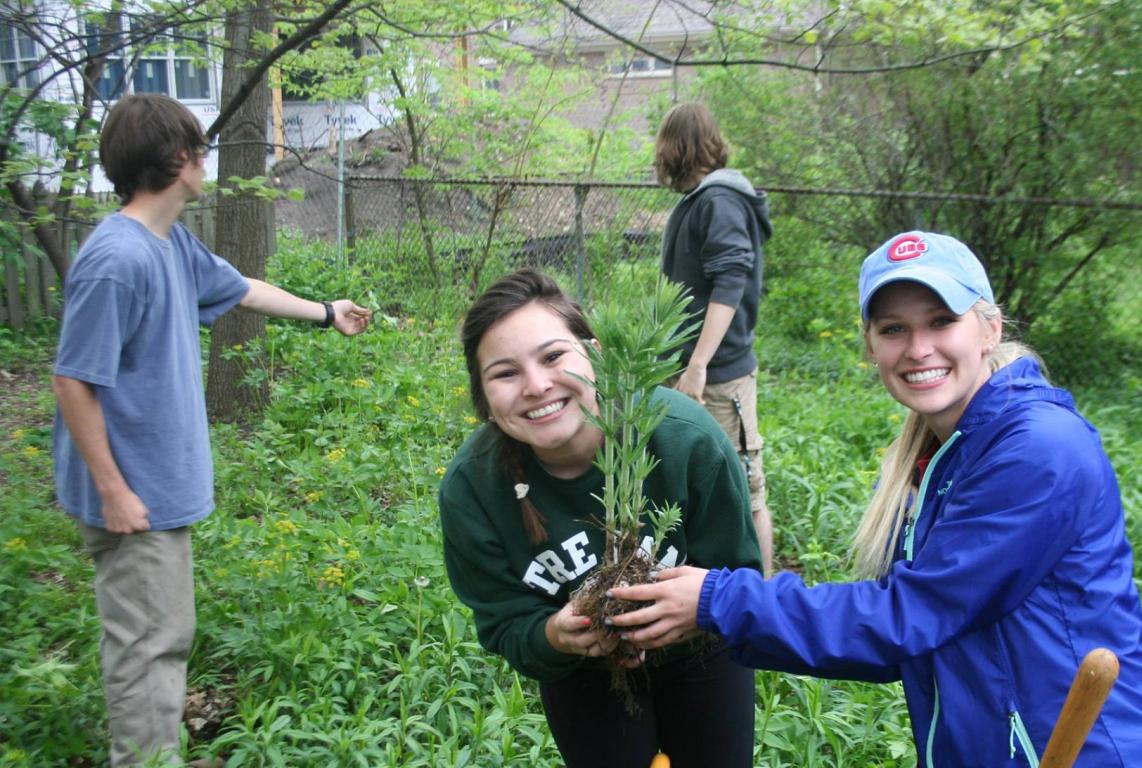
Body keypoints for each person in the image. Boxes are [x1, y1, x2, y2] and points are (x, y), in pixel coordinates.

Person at [608, 232, 1142, 767]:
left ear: (989, 329)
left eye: (941, 321)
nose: (918, 348)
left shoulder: (1038, 450)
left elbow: (909, 617)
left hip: (1075, 749)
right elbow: (910, 639)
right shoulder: (946, 452)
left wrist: (719, 600)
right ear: (871, 345)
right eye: (894, 329)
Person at [50, 94, 372, 766]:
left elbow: (241, 287)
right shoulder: (118, 259)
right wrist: (112, 490)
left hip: (157, 490)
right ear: (179, 160)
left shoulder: (168, 242)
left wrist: (324, 311)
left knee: (165, 634)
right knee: (150, 645)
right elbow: (73, 380)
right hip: (133, 498)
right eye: (199, 147)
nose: (207, 159)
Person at [438, 269, 762, 768]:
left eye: (553, 356)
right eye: (505, 373)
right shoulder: (472, 489)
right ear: (482, 398)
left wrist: (695, 615)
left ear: (596, 355)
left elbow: (742, 577)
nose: (537, 385)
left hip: (703, 654)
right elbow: (503, 622)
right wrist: (554, 635)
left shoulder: (685, 439)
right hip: (580, 669)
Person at [654, 102, 775, 574]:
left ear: (674, 148)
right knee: (694, 484)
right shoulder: (701, 200)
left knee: (745, 491)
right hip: (690, 374)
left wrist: (699, 365)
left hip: (718, 379)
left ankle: (761, 604)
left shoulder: (720, 201)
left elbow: (731, 280)